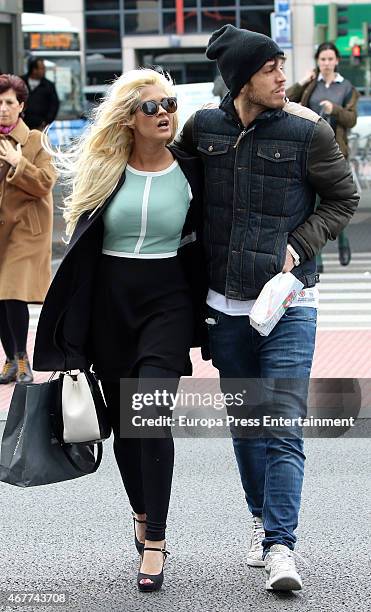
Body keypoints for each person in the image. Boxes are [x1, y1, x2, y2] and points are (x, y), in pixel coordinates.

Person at [176, 25, 359, 591]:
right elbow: (171, 190)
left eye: (283, 65)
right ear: (240, 80)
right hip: (223, 306)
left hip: (290, 300)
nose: (284, 77)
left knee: (282, 425)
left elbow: (343, 198)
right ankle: (260, 520)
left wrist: (299, 245)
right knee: (248, 424)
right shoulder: (202, 130)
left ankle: (282, 546)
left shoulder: (310, 132)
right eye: (270, 68)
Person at [33, 68, 205, 592]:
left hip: (168, 303)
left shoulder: (195, 170)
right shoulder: (105, 171)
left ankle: (155, 539)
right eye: (151, 107)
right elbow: (80, 253)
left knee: (151, 417)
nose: (164, 114)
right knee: (128, 426)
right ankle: (140, 510)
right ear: (128, 118)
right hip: (110, 307)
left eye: (170, 104)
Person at [0, 74, 56, 384]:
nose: (3, 109)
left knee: (13, 291)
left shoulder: (35, 140)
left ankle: (22, 359)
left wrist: (18, 162)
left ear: (21, 105)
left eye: (9, 102)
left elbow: (47, 182)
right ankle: (9, 359)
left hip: (25, 230)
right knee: (0, 295)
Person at [286, 41, 359, 271]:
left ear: (337, 60)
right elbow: (287, 99)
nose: (326, 63)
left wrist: (334, 110)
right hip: (308, 150)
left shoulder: (346, 88)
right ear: (318, 61)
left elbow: (351, 119)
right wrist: (303, 82)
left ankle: (343, 243)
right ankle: (316, 257)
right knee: (311, 204)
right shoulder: (311, 85)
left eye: (330, 59)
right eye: (322, 59)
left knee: (336, 200)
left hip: (335, 152)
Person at [21, 57, 60, 130]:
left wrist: (47, 121)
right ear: (34, 70)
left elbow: (54, 105)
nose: (44, 71)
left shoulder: (49, 85)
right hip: (22, 124)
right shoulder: (21, 82)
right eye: (42, 68)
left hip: (40, 125)